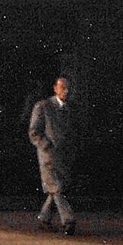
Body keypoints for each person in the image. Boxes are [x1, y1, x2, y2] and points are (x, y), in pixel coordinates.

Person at [28, 75, 77, 234]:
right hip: (48, 156)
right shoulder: (43, 107)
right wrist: (46, 146)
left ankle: (44, 218)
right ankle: (68, 220)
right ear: (55, 89)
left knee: (56, 189)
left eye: (68, 88)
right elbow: (34, 133)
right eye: (63, 88)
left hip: (63, 156)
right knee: (57, 187)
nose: (66, 91)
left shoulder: (70, 109)